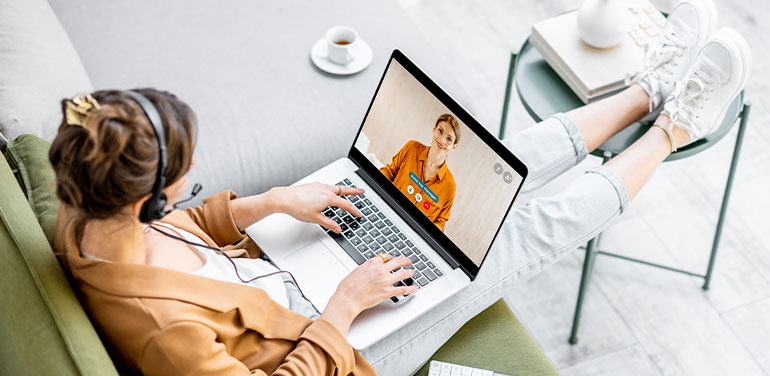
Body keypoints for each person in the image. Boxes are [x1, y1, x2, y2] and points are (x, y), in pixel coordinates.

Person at [50, 0, 750, 374]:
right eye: (185, 178)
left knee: (492, 164)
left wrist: (266, 204)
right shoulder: (167, 336)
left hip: (283, 276)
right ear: (149, 199)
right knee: (507, 244)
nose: (189, 190)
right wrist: (345, 309)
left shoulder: (86, 209)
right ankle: (675, 127)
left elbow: (190, 230)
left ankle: (643, 91)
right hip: (338, 348)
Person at [379, 114, 459, 231]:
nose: (442, 140)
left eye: (449, 139)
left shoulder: (450, 186)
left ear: (453, 147)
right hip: (387, 213)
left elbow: (440, 222)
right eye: (440, 131)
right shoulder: (411, 148)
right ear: (434, 130)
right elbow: (389, 172)